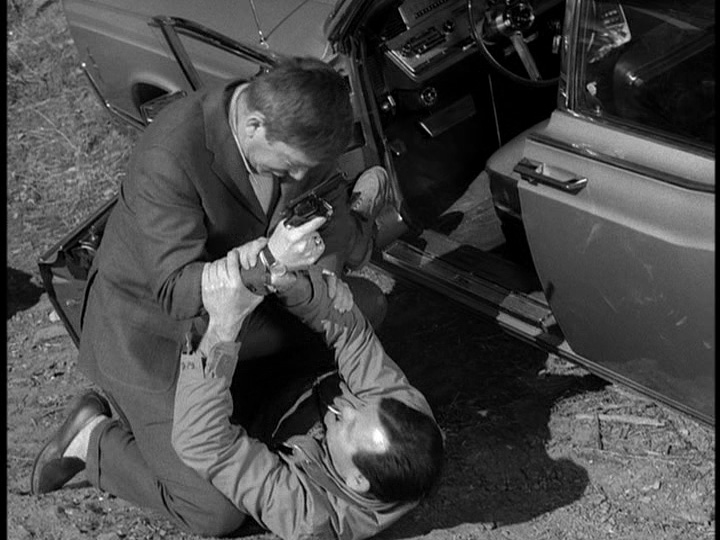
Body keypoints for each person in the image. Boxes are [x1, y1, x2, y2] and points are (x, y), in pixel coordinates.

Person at [31, 56, 394, 536]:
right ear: (253, 124)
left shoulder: (297, 133)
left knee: (366, 306)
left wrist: (330, 248)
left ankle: (248, 409)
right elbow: (176, 291)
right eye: (288, 168)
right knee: (216, 510)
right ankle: (91, 440)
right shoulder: (170, 153)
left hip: (250, 311)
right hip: (155, 335)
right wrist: (272, 259)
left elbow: (323, 192)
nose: (295, 179)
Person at [34, 239, 445, 539]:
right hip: (292, 370)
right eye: (362, 404)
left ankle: (94, 439)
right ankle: (190, 283)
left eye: (346, 423)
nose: (346, 406)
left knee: (214, 512)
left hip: (240, 415)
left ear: (354, 480)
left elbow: (203, 440)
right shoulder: (404, 416)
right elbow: (353, 336)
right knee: (367, 303)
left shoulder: (310, 515)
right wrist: (299, 289)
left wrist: (223, 330)